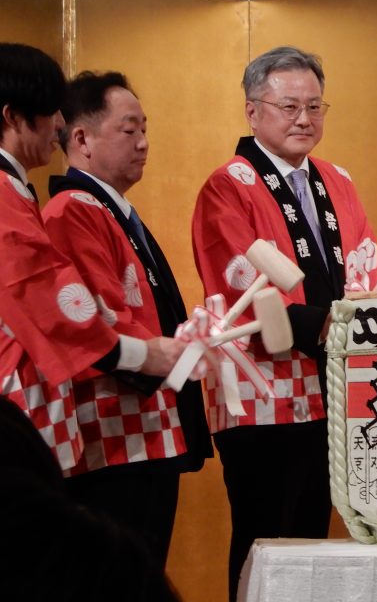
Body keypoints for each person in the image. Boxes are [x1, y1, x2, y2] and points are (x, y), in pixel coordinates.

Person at [192, 46, 377, 601]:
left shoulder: (336, 179)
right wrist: (328, 326)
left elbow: (365, 267)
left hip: (332, 391)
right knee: (264, 537)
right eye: (289, 106)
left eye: (315, 106)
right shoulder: (228, 184)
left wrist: (359, 321)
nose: (304, 118)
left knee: (311, 540)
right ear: (252, 111)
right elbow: (238, 282)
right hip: (262, 393)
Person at [42, 71, 213, 568]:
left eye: (145, 129)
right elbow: (97, 319)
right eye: (128, 129)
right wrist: (170, 355)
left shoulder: (110, 209)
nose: (143, 143)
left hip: (146, 429)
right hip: (114, 435)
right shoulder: (73, 209)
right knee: (118, 574)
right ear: (81, 139)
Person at [0, 43, 190, 474]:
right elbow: (47, 300)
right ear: (12, 117)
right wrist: (141, 353)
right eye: (51, 111)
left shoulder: (17, 190)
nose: (60, 125)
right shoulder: (37, 200)